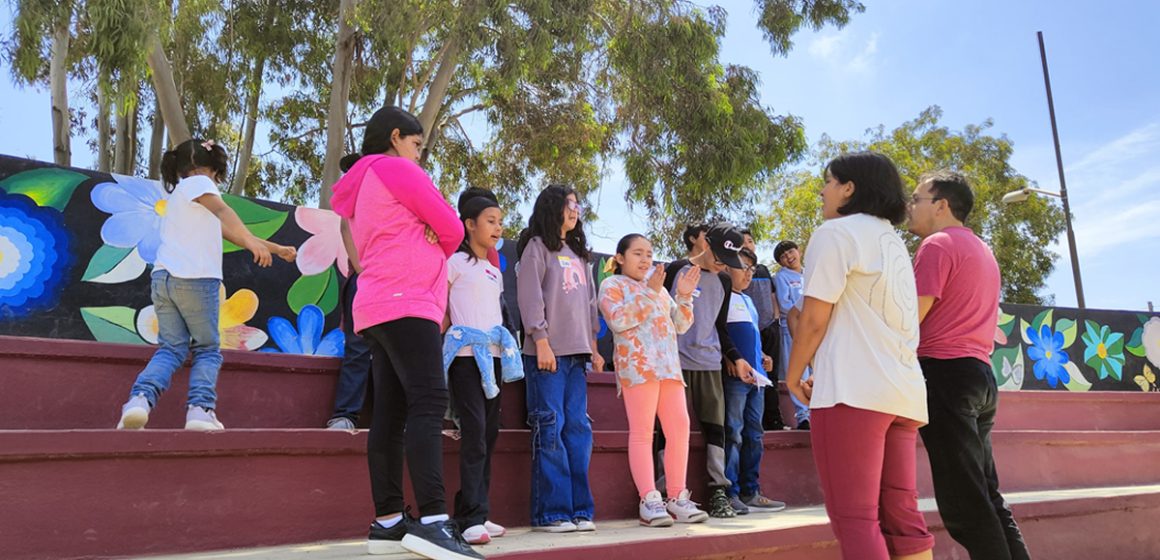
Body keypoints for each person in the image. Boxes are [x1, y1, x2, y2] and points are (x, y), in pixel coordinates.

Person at [331, 105, 482, 560]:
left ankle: (389, 521)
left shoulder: (360, 184)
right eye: (417, 144)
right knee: (429, 401)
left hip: (376, 304)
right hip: (407, 301)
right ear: (396, 137)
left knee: (391, 413)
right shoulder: (395, 168)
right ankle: (435, 521)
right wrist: (435, 236)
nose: (419, 154)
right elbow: (453, 227)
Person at [786, 151, 934, 560]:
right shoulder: (894, 242)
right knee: (902, 514)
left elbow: (815, 317)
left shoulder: (835, 234)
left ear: (849, 188)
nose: (822, 190)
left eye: (829, 181)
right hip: (902, 394)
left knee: (856, 521)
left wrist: (794, 374)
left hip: (854, 393)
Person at [116, 139, 296, 432]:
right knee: (208, 349)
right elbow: (225, 213)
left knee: (171, 349)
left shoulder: (181, 199)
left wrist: (275, 249)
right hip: (197, 280)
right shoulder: (200, 184)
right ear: (212, 169)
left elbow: (232, 233)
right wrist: (253, 244)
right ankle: (200, 410)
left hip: (163, 280)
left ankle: (138, 401)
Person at [907, 171, 1030, 560]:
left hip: (945, 376)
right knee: (986, 494)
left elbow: (910, 319)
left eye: (916, 199)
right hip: (979, 377)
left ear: (941, 205)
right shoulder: (981, 248)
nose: (909, 207)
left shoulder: (937, 245)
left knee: (965, 504)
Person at [598, 234, 709, 528]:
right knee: (643, 432)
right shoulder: (612, 285)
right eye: (637, 253)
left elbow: (682, 325)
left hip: (669, 368)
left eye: (649, 254)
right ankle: (649, 499)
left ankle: (677, 497)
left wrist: (684, 296)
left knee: (680, 429)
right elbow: (619, 320)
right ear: (620, 257)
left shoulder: (659, 291)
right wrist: (649, 292)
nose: (645, 260)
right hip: (638, 367)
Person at [516, 184, 604, 533]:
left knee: (578, 430)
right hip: (548, 355)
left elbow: (590, 305)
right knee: (550, 428)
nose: (575, 210)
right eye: (568, 204)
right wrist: (540, 339)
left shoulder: (581, 255)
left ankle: (580, 509)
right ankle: (550, 513)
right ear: (552, 208)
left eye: (577, 205)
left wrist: (594, 348)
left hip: (577, 354)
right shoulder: (538, 247)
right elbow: (529, 296)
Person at [441, 190, 523, 545]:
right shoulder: (452, 264)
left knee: (488, 434)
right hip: (464, 360)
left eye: (500, 222)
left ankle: (477, 511)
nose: (497, 227)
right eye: (490, 221)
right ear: (469, 224)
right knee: (474, 432)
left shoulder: (493, 271)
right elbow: (441, 309)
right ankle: (468, 517)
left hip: (493, 360)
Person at [661, 222, 753, 518]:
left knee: (717, 428)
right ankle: (667, 492)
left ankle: (718, 491)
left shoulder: (724, 282)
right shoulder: (675, 270)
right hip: (673, 361)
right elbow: (657, 313)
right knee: (669, 429)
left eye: (728, 262)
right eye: (719, 257)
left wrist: (735, 356)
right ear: (706, 244)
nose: (721, 265)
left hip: (709, 362)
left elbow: (720, 325)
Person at [722, 248, 787, 515]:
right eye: (743, 267)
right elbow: (720, 335)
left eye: (751, 269)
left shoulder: (747, 301)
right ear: (727, 268)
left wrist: (763, 357)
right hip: (735, 379)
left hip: (757, 380)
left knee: (754, 435)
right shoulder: (721, 298)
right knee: (734, 434)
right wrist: (729, 357)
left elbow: (752, 336)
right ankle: (730, 492)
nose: (748, 274)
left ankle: (751, 491)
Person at [740, 229, 786, 431]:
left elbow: (773, 296)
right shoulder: (737, 271)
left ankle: (774, 420)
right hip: (750, 331)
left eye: (750, 241)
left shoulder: (764, 270)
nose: (747, 244)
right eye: (743, 242)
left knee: (771, 375)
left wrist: (775, 318)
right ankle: (754, 422)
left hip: (770, 327)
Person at [774, 239, 809, 429]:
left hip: (814, 328)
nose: (789, 257)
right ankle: (803, 415)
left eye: (790, 252)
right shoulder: (782, 277)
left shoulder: (810, 273)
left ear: (799, 250)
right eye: (783, 257)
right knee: (798, 370)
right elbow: (785, 304)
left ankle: (816, 412)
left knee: (815, 371)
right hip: (792, 328)